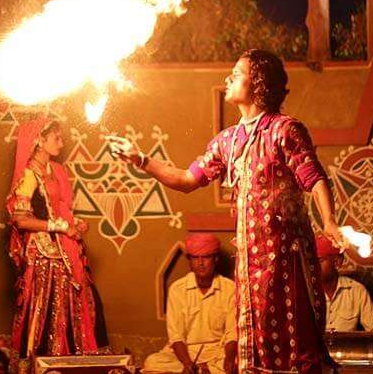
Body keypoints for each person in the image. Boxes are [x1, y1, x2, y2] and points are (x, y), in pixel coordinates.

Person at [113, 49, 343, 374]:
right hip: (249, 271)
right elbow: (185, 180)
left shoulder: (284, 130)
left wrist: (330, 222)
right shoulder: (227, 141)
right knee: (255, 357)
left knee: (297, 353)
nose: (228, 78)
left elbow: (313, 177)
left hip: (287, 265)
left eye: (236, 73)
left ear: (258, 83)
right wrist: (140, 159)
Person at [6, 118, 98, 369]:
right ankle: (43, 364)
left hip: (62, 248)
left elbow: (60, 209)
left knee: (70, 306)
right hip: (44, 253)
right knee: (45, 308)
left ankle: (70, 363)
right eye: (56, 138)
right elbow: (21, 220)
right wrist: (58, 226)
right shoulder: (29, 175)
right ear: (39, 140)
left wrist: (75, 223)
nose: (62, 142)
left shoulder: (56, 170)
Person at [144, 233, 236, 374]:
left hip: (217, 353)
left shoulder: (230, 288)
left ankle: (207, 370)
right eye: (195, 258)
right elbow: (176, 336)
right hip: (185, 353)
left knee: (237, 363)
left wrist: (228, 361)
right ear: (189, 261)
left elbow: (232, 334)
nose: (200, 263)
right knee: (152, 362)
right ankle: (201, 371)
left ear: (216, 259)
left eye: (206, 257)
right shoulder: (177, 289)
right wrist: (187, 363)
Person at [316, 237, 373, 332]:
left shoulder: (356, 290)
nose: (314, 266)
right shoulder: (305, 291)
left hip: (346, 347)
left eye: (320, 261)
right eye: (311, 261)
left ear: (337, 262)